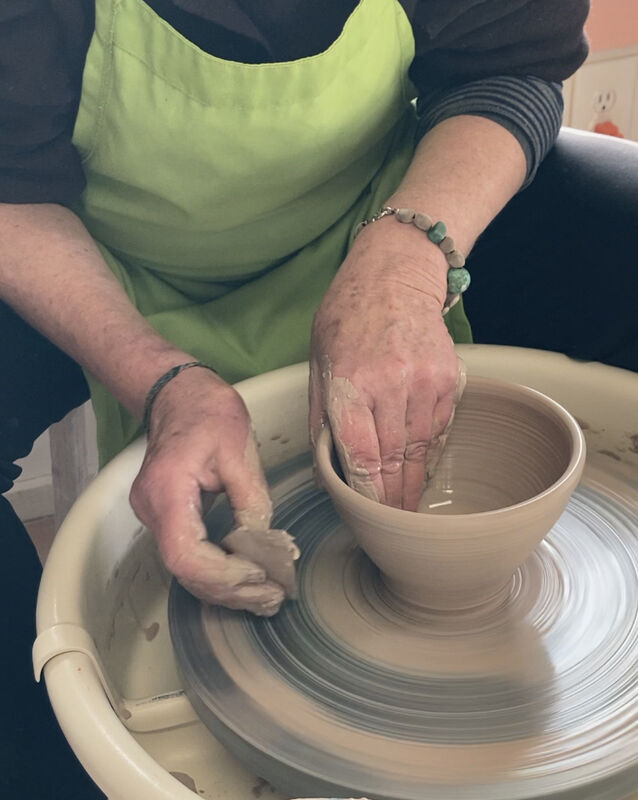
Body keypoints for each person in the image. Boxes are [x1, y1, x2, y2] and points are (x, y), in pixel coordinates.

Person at [2, 0, 637, 796]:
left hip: (378, 213)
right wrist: (161, 380)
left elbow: (510, 63)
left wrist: (407, 259)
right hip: (93, 254)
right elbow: (10, 181)